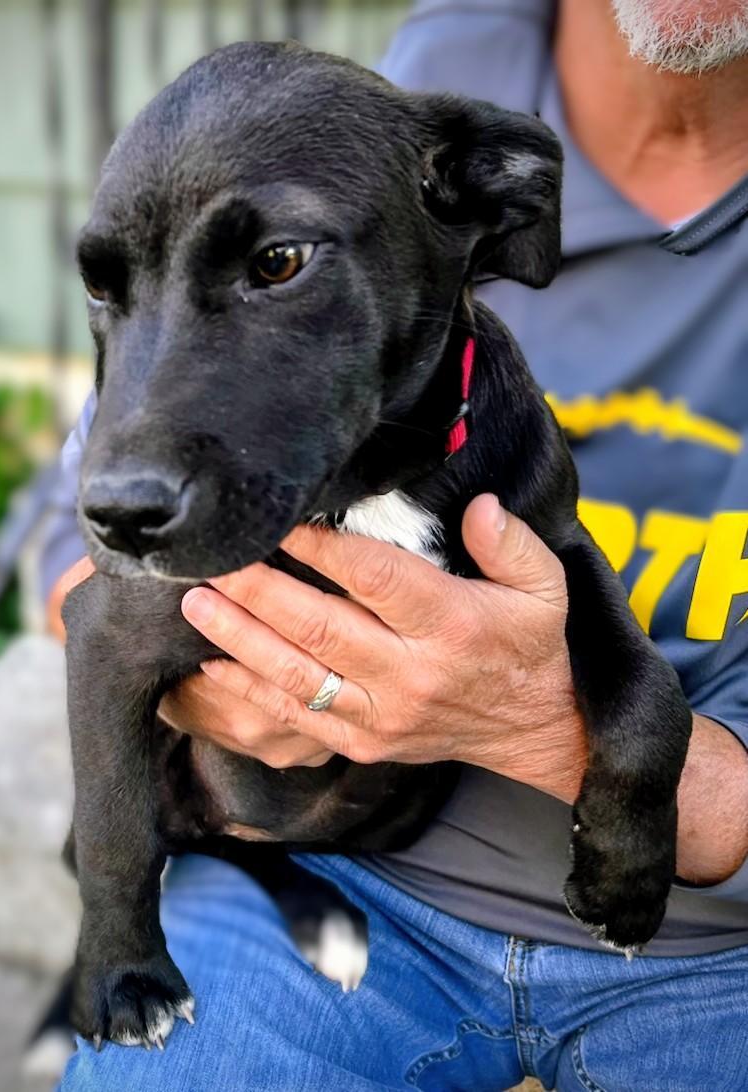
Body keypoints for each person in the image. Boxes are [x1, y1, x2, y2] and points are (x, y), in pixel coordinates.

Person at [44, 2, 748, 1088]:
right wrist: (118, 908)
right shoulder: (374, 108)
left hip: (708, 941)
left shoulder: (499, 414)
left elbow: (575, 585)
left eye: (277, 262)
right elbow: (85, 585)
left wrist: (543, 727)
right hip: (321, 871)